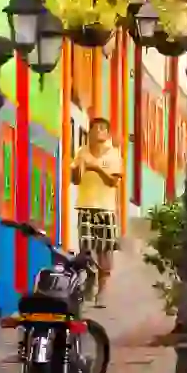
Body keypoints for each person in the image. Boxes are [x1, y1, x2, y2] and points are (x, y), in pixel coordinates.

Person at [71, 118, 124, 307]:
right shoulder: (82, 152)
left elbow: (113, 182)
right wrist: (78, 170)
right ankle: (90, 277)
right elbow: (75, 180)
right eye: (95, 128)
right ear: (90, 132)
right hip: (85, 206)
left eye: (103, 128)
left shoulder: (114, 155)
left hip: (106, 208)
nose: (99, 131)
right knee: (86, 249)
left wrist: (95, 168)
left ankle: (102, 292)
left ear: (108, 134)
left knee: (104, 251)